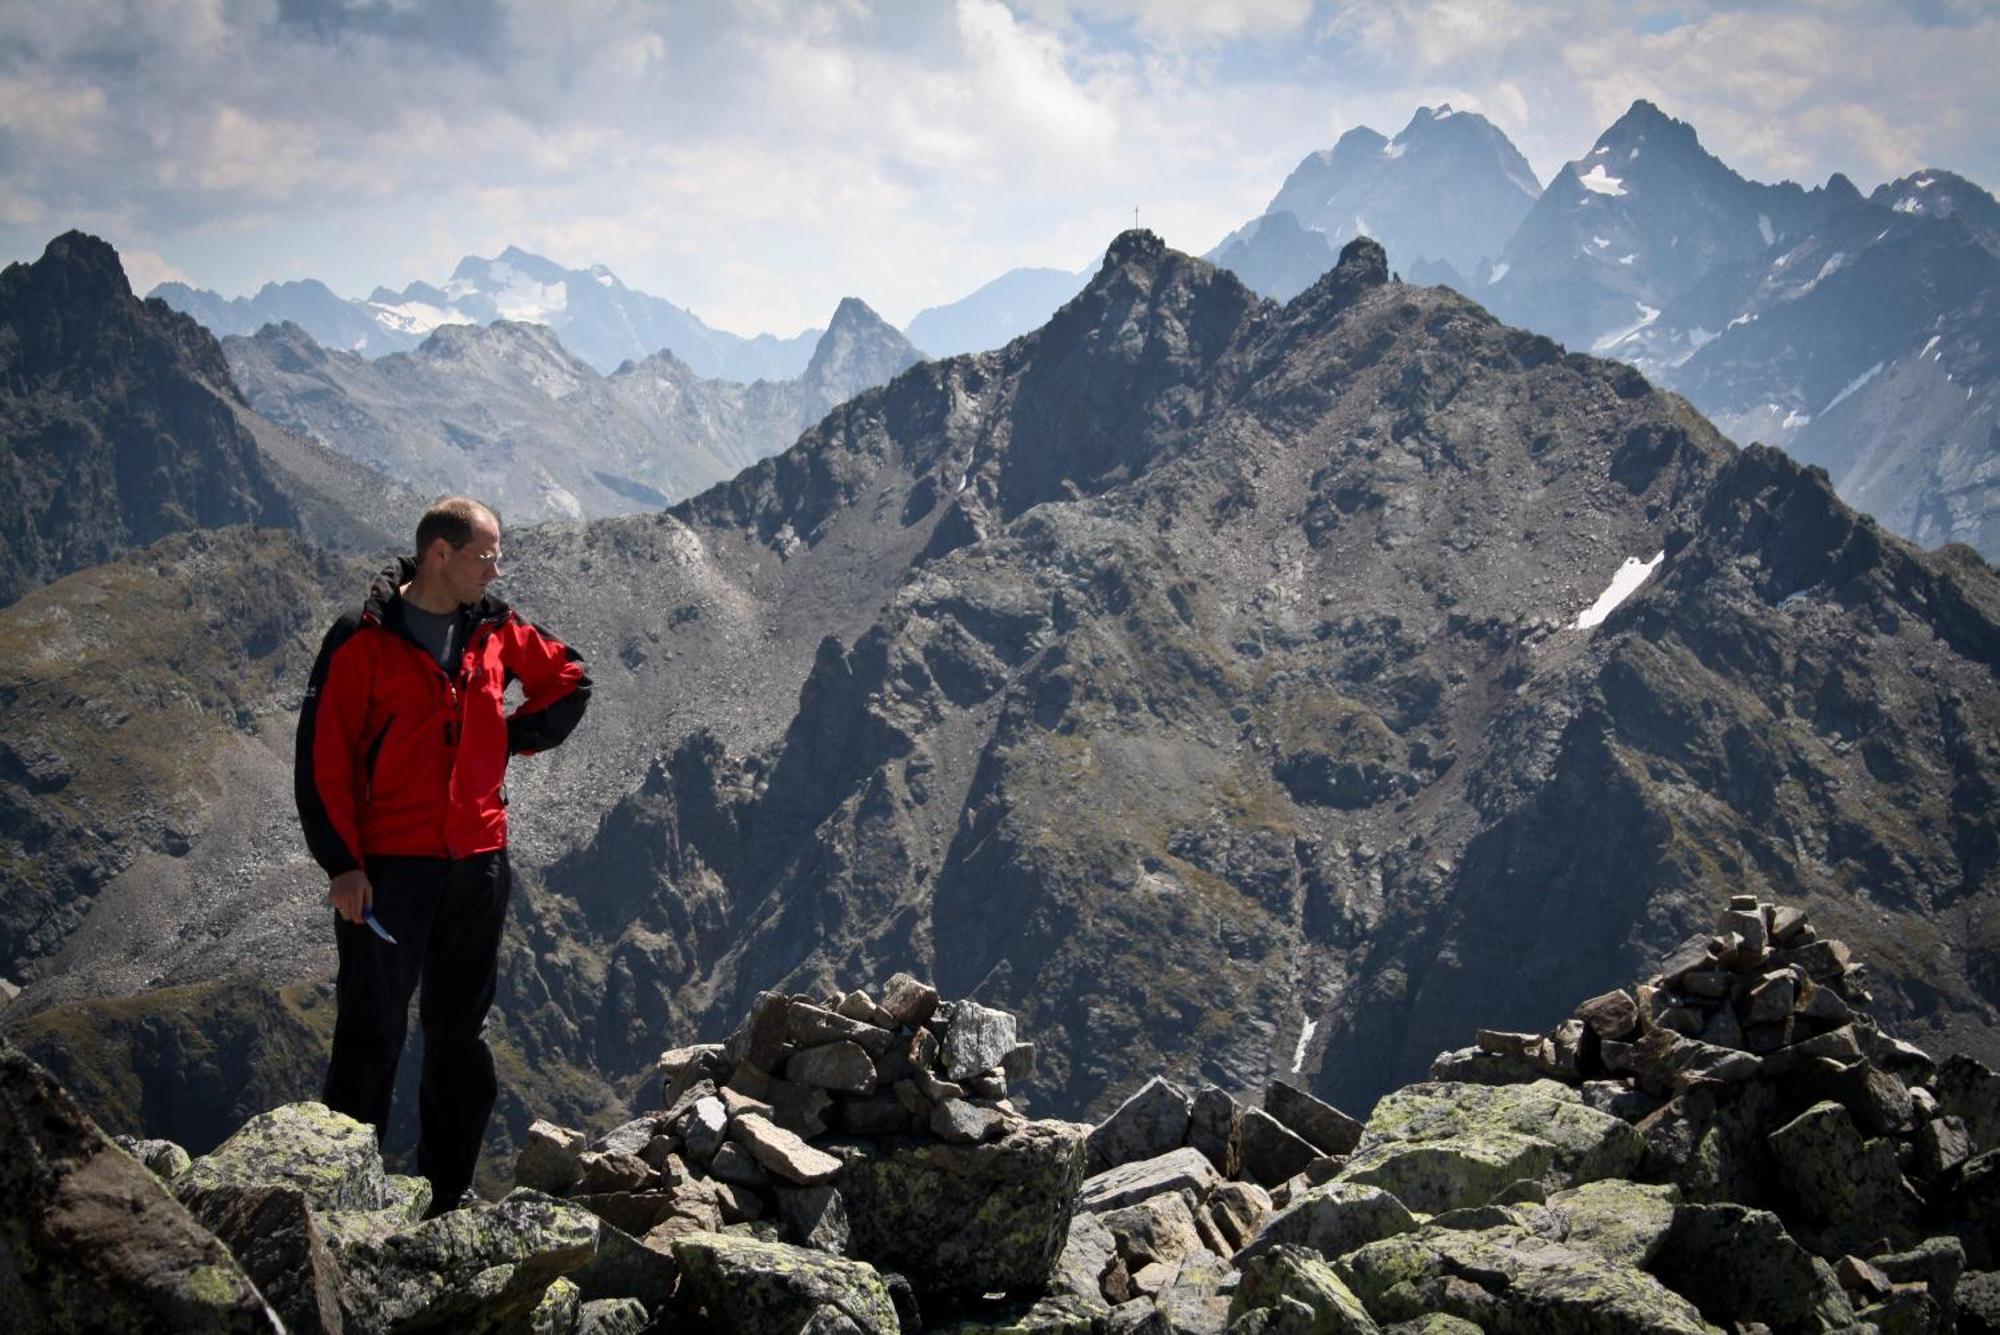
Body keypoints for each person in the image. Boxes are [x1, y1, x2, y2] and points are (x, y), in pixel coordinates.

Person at [294, 496, 590, 1213]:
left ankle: (444, 1198)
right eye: (485, 555)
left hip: (478, 861)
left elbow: (569, 679)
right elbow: (320, 760)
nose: (496, 568)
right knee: (371, 1030)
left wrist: (503, 738)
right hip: (389, 868)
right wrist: (342, 865)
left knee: (460, 1035)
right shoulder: (362, 637)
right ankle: (342, 1202)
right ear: (440, 554)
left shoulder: (495, 627)